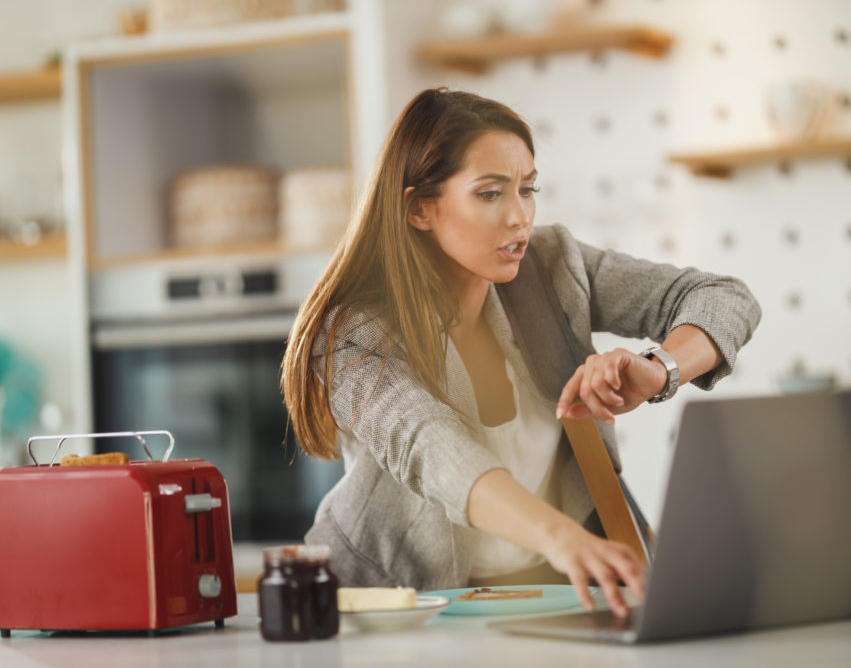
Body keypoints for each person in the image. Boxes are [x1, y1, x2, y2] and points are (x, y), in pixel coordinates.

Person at [281, 88, 761, 617]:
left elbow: (724, 298)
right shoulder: (352, 331)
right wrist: (559, 537)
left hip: (554, 591)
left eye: (527, 190)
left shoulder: (552, 264)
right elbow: (431, 448)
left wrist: (658, 370)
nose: (519, 217)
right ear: (420, 208)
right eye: (490, 194)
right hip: (397, 607)